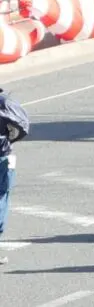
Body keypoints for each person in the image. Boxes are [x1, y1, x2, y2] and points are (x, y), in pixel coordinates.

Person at [0, 86, 29, 267]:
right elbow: (22, 126)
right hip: (2, 156)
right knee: (2, 195)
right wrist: (10, 140)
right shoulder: (5, 103)